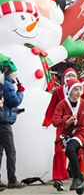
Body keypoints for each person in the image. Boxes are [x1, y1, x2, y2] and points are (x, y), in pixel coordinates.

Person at [42, 67, 78, 191]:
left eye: (72, 76)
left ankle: (76, 175)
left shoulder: (80, 90)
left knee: (76, 151)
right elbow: (52, 106)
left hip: (77, 125)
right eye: (68, 76)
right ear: (63, 79)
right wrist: (47, 121)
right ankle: (58, 177)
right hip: (62, 125)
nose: (70, 79)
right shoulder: (58, 91)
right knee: (59, 150)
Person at [0, 60, 26, 189]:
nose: (16, 75)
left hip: (1, 119)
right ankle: (12, 179)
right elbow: (14, 101)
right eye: (15, 73)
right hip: (4, 123)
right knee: (11, 151)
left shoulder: (2, 82)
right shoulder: (8, 85)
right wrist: (20, 92)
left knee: (0, 152)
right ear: (10, 74)